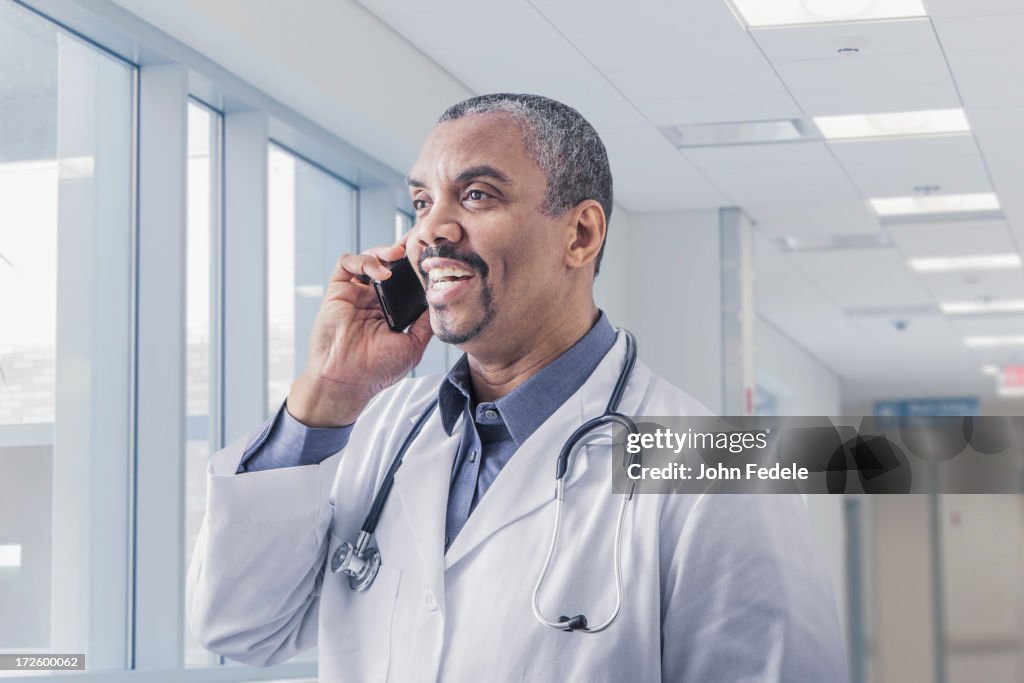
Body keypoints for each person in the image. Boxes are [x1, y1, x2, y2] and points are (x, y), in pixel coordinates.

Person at [187, 93, 848, 681]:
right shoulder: (385, 431)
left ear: (581, 234)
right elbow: (241, 626)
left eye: (475, 195)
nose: (430, 231)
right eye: (422, 201)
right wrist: (329, 391)